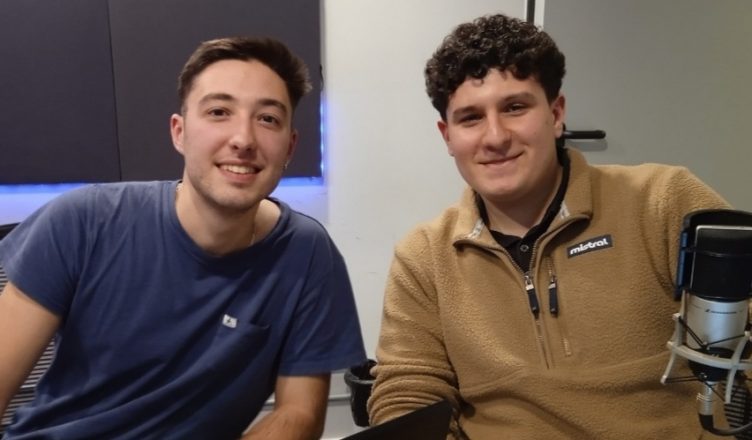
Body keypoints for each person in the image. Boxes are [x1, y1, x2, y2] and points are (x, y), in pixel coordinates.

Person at [367, 13, 732, 439]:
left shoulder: (664, 202)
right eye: (470, 118)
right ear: (447, 136)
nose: (495, 137)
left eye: (514, 108)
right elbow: (408, 395)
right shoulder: (424, 257)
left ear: (556, 114)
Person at [0, 36, 366, 439]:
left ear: (290, 147)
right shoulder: (83, 222)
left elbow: (299, 414)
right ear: (179, 132)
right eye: (219, 112)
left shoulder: (308, 254)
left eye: (267, 119)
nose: (243, 139)